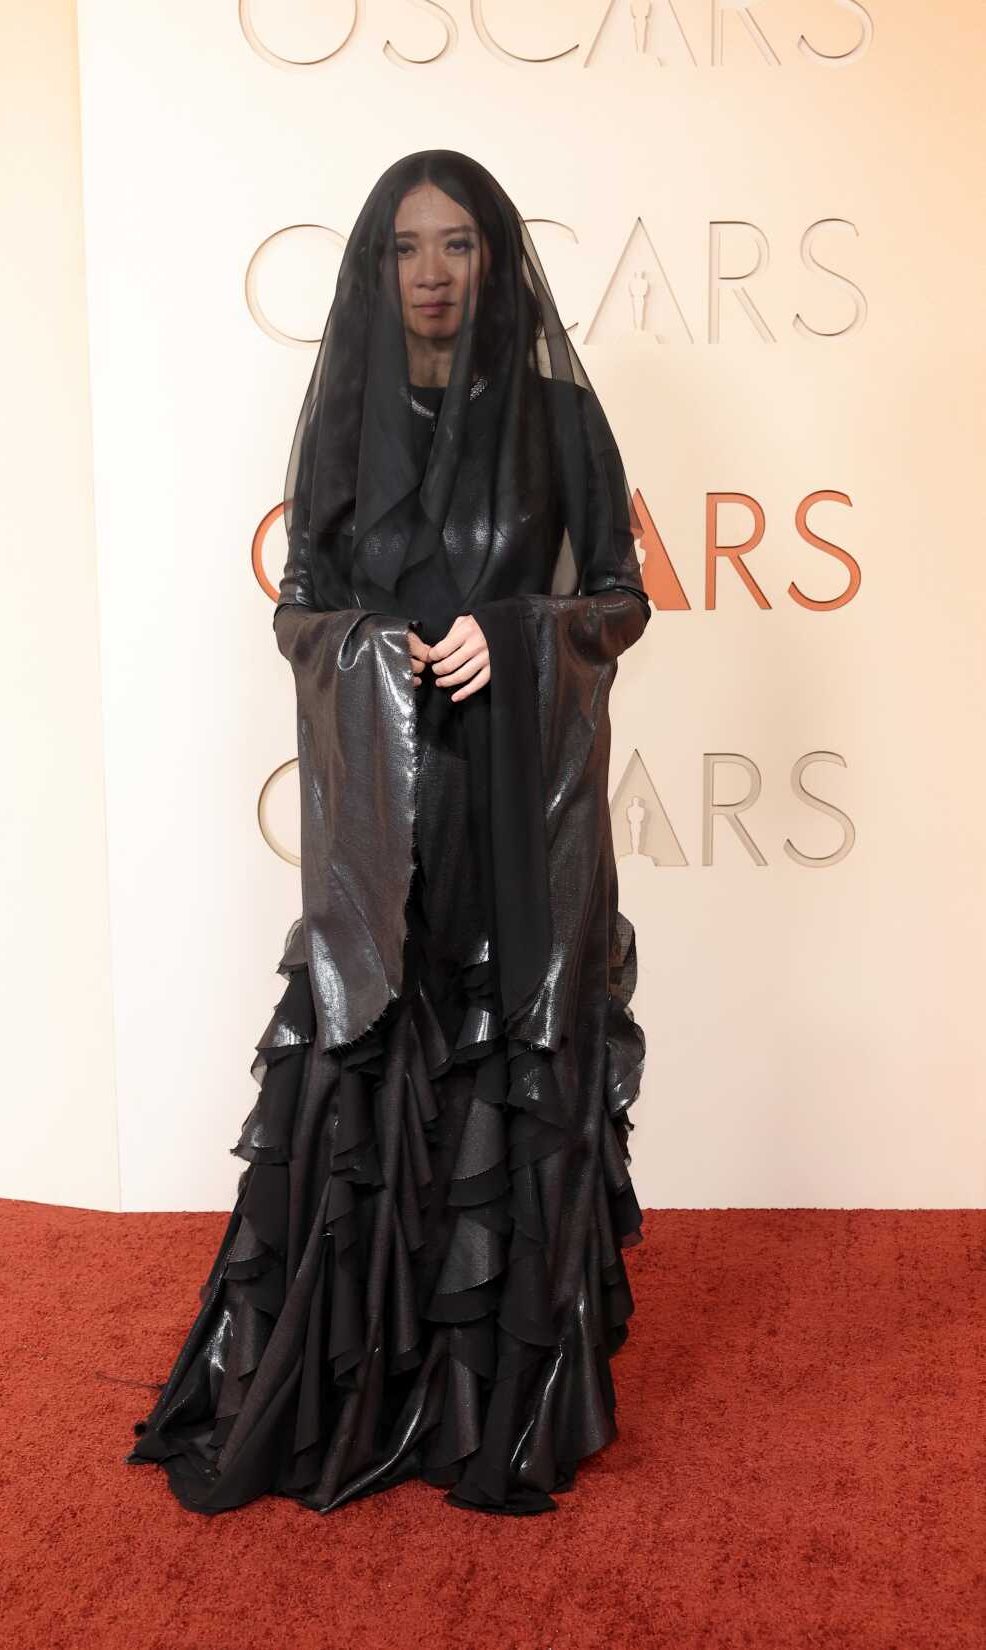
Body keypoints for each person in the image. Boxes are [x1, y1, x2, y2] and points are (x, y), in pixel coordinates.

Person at [126, 148, 653, 1517]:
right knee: (366, 1074)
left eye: (458, 245)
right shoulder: (345, 425)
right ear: (377, 270)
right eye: (406, 248)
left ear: (497, 261)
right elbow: (300, 609)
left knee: (512, 1071)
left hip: (517, 810)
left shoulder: (557, 424)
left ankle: (496, 1402)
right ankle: (361, 1381)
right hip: (384, 819)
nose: (432, 273)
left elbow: (617, 597)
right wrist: (373, 652)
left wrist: (521, 632)